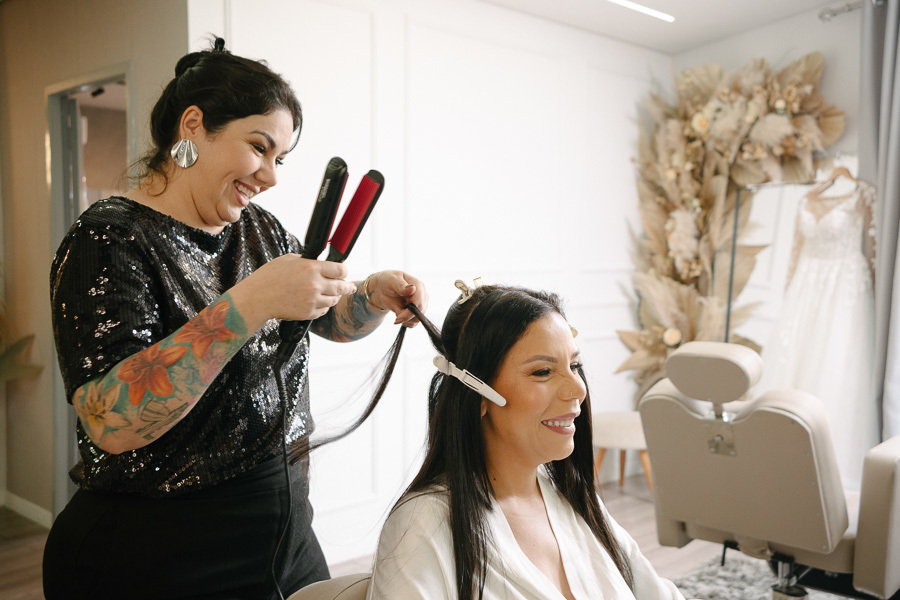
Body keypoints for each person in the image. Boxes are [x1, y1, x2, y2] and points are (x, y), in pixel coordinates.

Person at [43, 38, 427, 599]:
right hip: (159, 549)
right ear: (194, 126)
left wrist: (370, 297)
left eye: (281, 159)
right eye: (259, 147)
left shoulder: (261, 231)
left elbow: (318, 321)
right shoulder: (110, 238)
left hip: (285, 524)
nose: (271, 176)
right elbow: (111, 422)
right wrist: (250, 302)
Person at [368, 282, 685, 600]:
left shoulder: (571, 498)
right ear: (477, 394)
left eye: (574, 365)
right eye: (543, 371)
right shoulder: (422, 527)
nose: (577, 389)